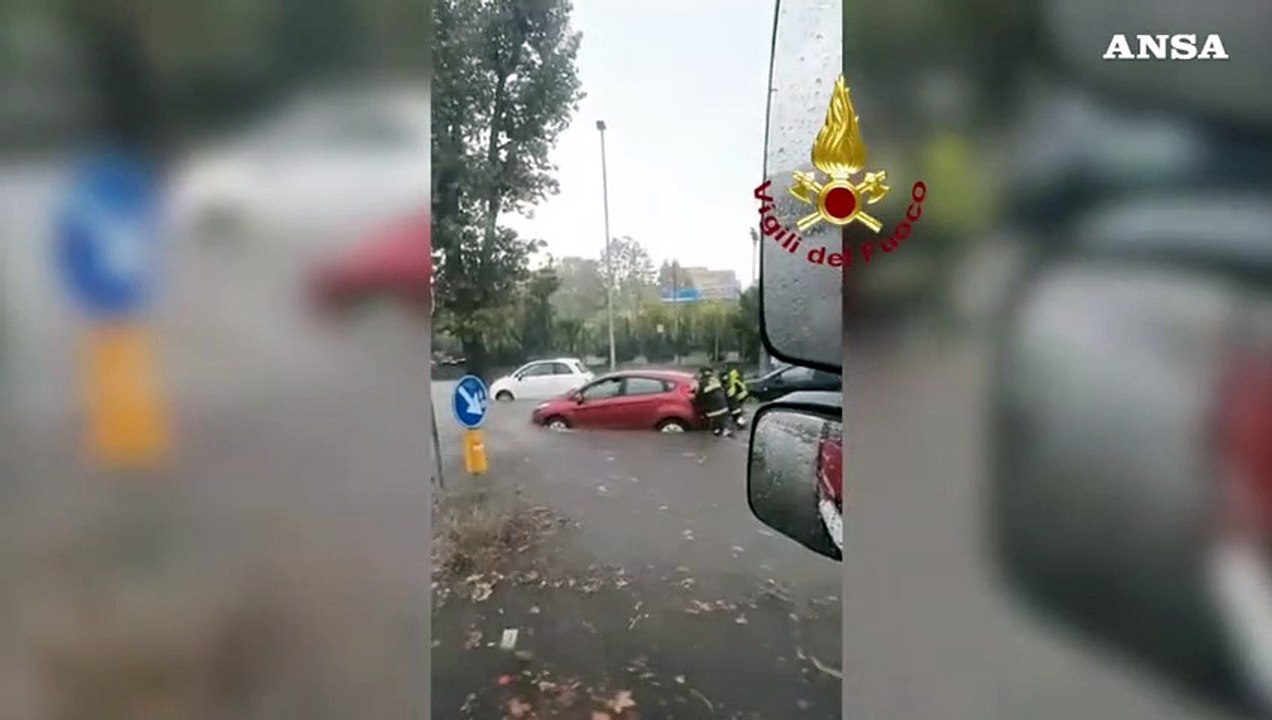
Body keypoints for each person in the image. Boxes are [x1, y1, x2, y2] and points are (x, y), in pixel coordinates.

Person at [695, 367, 731, 437]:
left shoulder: (702, 382)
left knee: (715, 430)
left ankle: (717, 435)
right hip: (724, 406)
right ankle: (725, 434)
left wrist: (701, 410)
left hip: (713, 410)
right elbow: (724, 391)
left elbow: (699, 397)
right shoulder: (715, 380)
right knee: (724, 426)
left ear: (702, 373)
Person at [723, 364, 750, 430]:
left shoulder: (731, 377)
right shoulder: (736, 375)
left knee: (736, 413)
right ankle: (741, 422)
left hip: (738, 396)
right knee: (737, 411)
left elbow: (733, 387)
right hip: (741, 394)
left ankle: (741, 424)